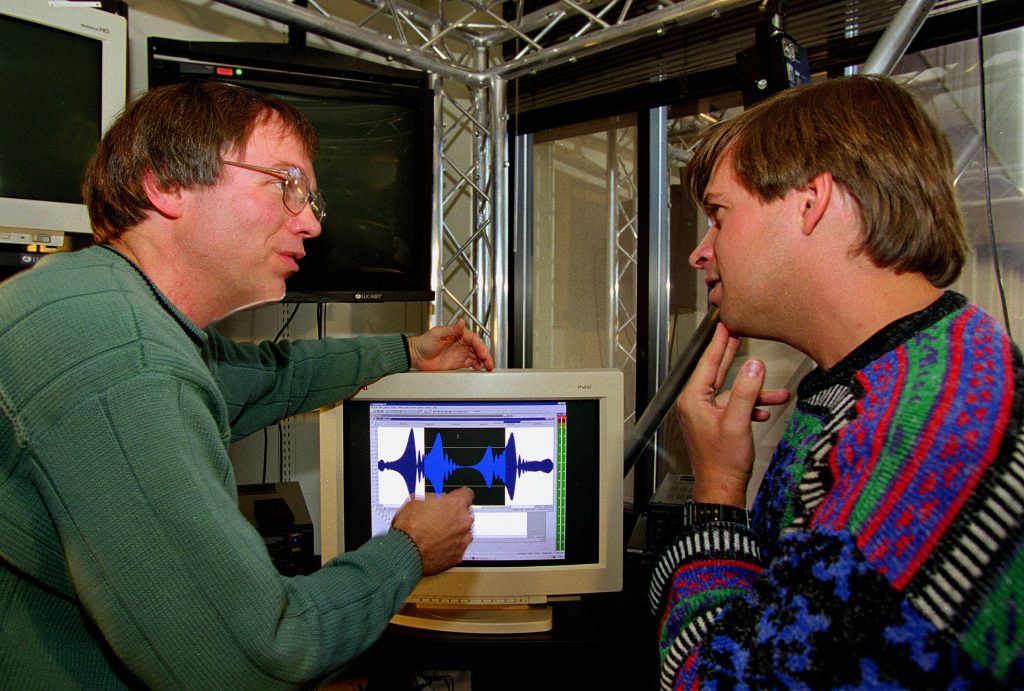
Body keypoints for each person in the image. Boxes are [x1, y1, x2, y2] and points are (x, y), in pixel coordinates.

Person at [0, 81, 493, 689]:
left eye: (311, 198)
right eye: (286, 185)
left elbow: (258, 380)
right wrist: (410, 550)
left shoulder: (84, 294)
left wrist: (402, 353)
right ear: (166, 184)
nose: (311, 222)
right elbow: (256, 658)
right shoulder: (128, 365)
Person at [649, 74, 1024, 688]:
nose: (701, 250)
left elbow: (715, 682)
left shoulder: (926, 435)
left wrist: (717, 492)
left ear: (811, 201)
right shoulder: (871, 382)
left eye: (719, 214)